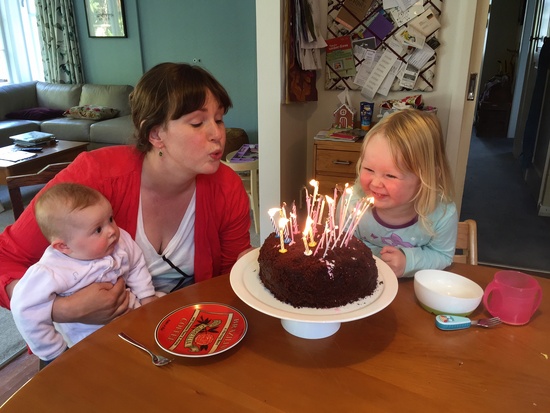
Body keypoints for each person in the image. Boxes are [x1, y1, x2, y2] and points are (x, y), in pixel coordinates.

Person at [0, 62, 252, 325]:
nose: (217, 134)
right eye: (198, 123)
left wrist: (249, 270)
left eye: (219, 119)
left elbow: (227, 280)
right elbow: (5, 257)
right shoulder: (94, 176)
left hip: (181, 323)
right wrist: (62, 309)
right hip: (91, 334)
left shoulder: (227, 186)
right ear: (156, 134)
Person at [11, 183, 159, 363]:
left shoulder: (119, 242)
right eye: (98, 229)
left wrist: (147, 296)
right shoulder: (51, 271)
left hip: (133, 317)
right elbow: (24, 308)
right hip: (87, 344)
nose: (112, 231)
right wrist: (53, 351)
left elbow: (136, 263)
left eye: (110, 219)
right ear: (64, 246)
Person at [342, 109, 457, 278]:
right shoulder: (352, 202)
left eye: (390, 175)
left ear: (427, 178)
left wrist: (408, 262)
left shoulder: (442, 214)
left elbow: (443, 255)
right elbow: (341, 246)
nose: (375, 183)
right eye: (368, 169)